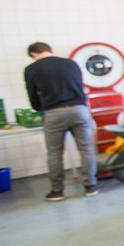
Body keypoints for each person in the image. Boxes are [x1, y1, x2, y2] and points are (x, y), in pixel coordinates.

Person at [24, 42, 98, 201]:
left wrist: (39, 108)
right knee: (86, 149)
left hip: (54, 112)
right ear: (50, 50)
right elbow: (80, 86)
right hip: (80, 109)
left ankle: (57, 191)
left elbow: (32, 95)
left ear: (33, 54)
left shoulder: (32, 69)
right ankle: (90, 186)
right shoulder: (71, 63)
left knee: (55, 153)